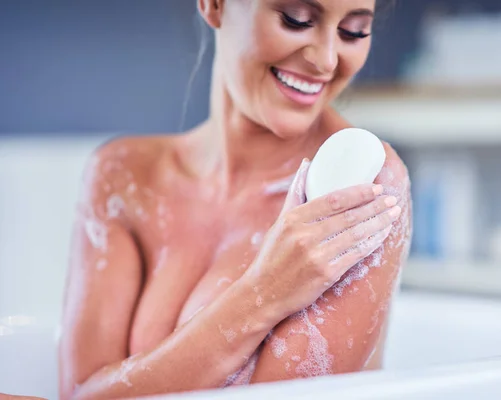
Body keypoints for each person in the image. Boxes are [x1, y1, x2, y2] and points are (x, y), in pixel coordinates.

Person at [58, 0, 411, 399]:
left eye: (353, 32)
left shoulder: (361, 183)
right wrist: (264, 293)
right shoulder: (122, 176)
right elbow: (79, 393)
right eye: (296, 19)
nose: (326, 60)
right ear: (214, 5)